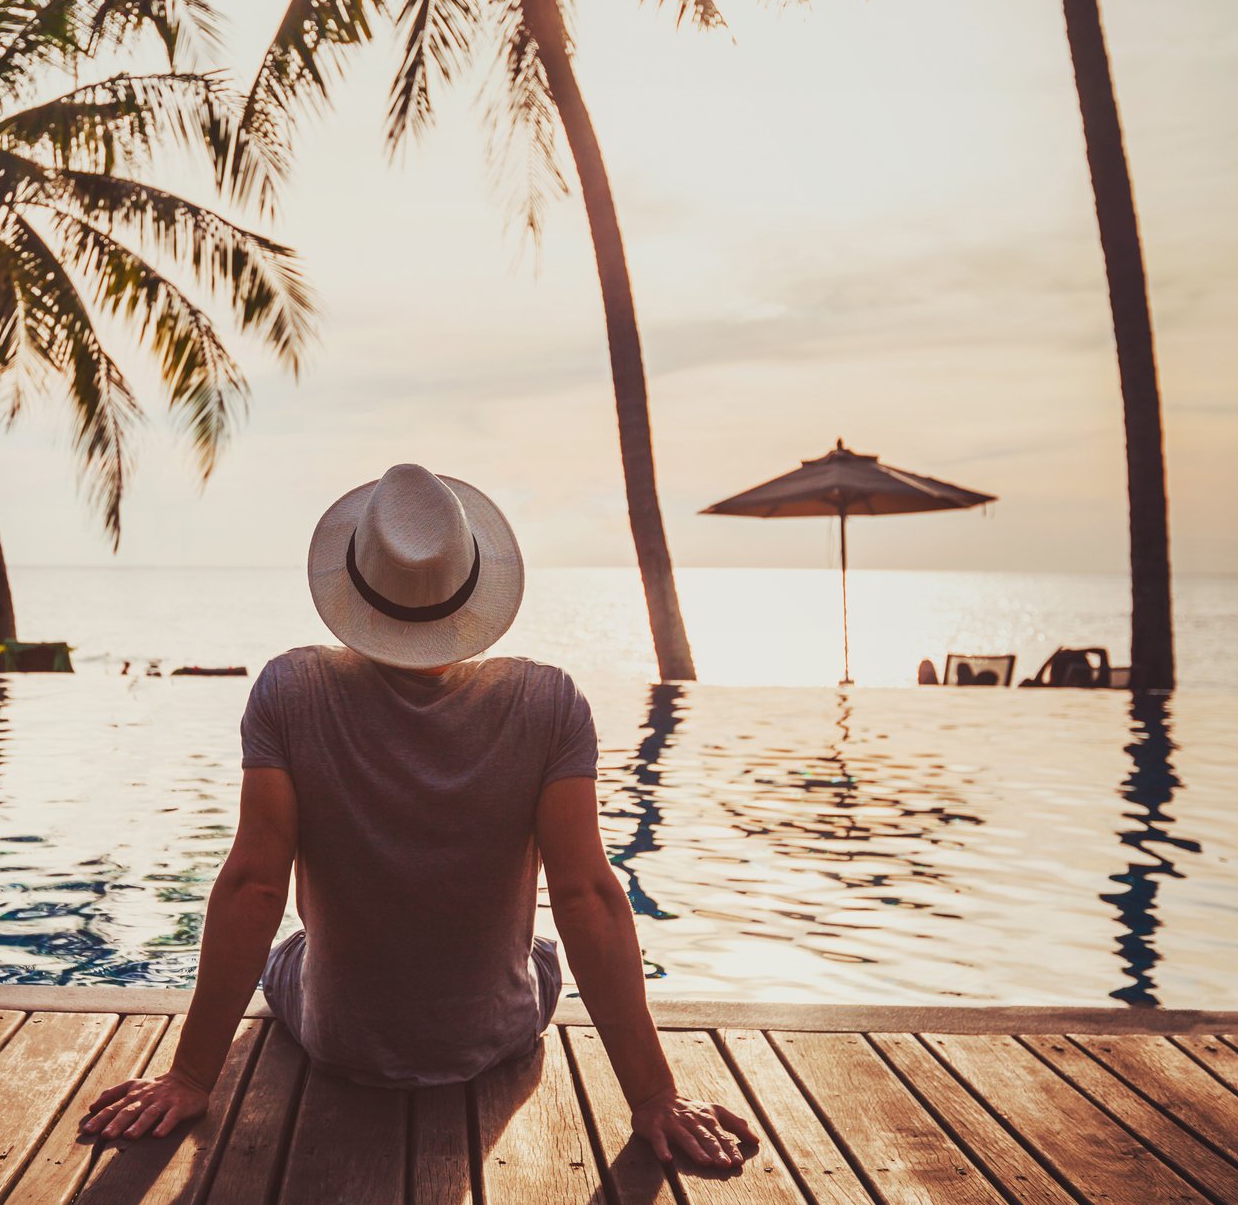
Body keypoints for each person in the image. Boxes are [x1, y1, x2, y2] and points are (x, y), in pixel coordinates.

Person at [84, 464, 756, 1169]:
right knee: (543, 954)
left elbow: (254, 887)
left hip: (337, 1038)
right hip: (492, 1036)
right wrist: (653, 1096)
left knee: (290, 949)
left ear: (353, 583)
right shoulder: (549, 703)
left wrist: (190, 1076)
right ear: (472, 587)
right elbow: (587, 896)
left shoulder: (290, 690)